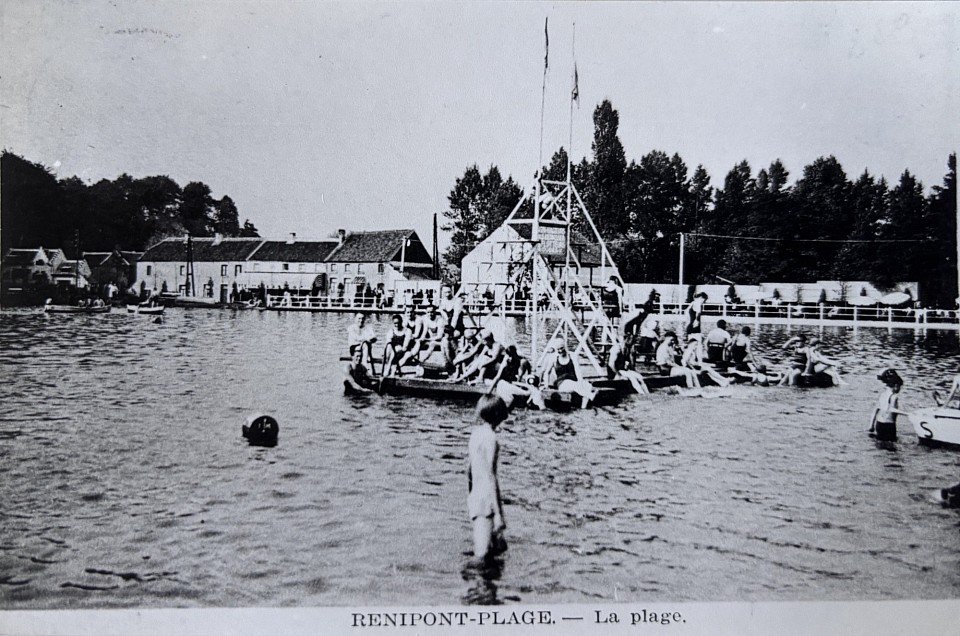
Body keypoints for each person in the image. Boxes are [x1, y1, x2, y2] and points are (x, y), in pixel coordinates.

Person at [468, 394, 508, 562]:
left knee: (497, 548)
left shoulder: (475, 434)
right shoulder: (491, 438)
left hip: (475, 496)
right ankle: (475, 584)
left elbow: (468, 470)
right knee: (482, 554)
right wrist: (498, 513)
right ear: (498, 415)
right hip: (486, 499)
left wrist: (469, 494)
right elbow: (491, 475)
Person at [541, 338, 599, 408]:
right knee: (573, 385)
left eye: (562, 348)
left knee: (587, 386)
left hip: (574, 381)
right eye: (558, 349)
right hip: (562, 383)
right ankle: (591, 396)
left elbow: (577, 370)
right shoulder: (554, 358)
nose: (560, 351)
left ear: (565, 347)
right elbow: (547, 372)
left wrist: (581, 381)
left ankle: (583, 408)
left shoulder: (572, 355)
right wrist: (546, 385)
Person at [870, 369, 908, 441]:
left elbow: (875, 410)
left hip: (879, 423)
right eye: (900, 387)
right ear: (896, 386)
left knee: (880, 444)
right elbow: (892, 409)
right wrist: (907, 413)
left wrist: (871, 425)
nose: (900, 389)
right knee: (891, 447)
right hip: (889, 425)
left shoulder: (883, 395)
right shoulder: (894, 396)